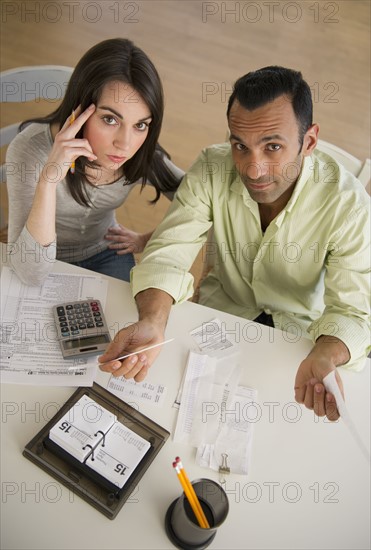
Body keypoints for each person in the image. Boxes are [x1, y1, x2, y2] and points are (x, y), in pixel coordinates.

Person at [99, 66, 370, 422]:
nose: (253, 170)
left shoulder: (348, 205)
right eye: (240, 145)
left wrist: (327, 353)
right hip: (221, 314)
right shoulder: (212, 167)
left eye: (273, 146)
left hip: (303, 337)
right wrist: (151, 320)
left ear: (310, 142)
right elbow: (168, 251)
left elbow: (352, 312)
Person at [6, 38, 183, 285]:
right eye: (110, 119)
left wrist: (148, 239)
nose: (125, 144)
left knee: (123, 321)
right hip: (46, 258)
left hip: (106, 251)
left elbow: (204, 203)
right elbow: (31, 274)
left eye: (140, 125)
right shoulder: (30, 150)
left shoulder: (142, 152)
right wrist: (48, 181)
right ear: (80, 109)